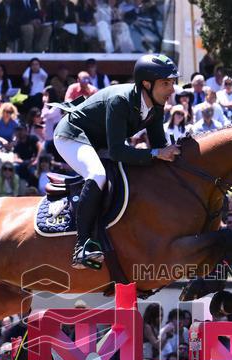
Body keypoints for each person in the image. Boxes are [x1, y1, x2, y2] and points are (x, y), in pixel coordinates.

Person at [53, 54, 180, 269]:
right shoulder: (120, 101)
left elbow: (160, 147)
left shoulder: (157, 107)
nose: (172, 90)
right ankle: (82, 245)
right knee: (97, 174)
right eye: (166, 83)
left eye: (173, 83)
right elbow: (119, 151)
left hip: (99, 142)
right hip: (72, 135)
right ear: (147, 84)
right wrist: (157, 153)